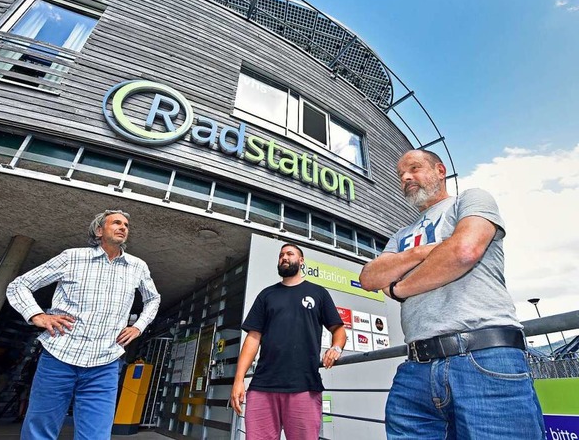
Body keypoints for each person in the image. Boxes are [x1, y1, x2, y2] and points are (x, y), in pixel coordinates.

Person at [359, 150, 545, 439]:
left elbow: (464, 251)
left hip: (484, 357)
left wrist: (399, 287)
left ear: (440, 170)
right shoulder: (400, 235)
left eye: (414, 168)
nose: (406, 177)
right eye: (401, 175)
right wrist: (425, 251)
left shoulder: (470, 200)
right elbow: (370, 277)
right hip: (415, 370)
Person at [6, 210, 161, 440]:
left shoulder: (137, 266)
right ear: (99, 231)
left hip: (105, 363)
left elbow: (153, 298)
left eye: (126, 225)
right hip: (59, 356)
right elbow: (19, 285)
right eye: (116, 223)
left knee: (96, 435)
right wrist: (38, 315)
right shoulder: (72, 257)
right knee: (39, 430)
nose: (123, 227)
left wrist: (138, 326)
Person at [231, 243, 347, 440]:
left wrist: (336, 347)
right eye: (281, 255)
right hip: (262, 387)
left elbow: (339, 329)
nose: (284, 257)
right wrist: (238, 380)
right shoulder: (266, 295)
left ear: (301, 261)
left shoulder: (318, 292)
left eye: (290, 254)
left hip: (304, 385)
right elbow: (253, 338)